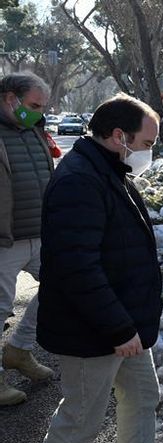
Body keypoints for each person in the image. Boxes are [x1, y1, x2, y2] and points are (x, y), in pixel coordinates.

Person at [26, 94, 163, 443]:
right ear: (118, 136)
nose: (150, 151)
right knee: (80, 420)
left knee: (144, 394)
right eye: (147, 143)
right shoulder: (80, 180)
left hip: (121, 324)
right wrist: (117, 327)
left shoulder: (108, 169)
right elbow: (78, 267)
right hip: (95, 331)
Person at [0, 72, 54, 407]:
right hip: (4, 241)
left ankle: (19, 349)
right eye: (33, 105)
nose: (38, 112)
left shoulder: (34, 130)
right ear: (10, 98)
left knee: (62, 286)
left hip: (40, 234)